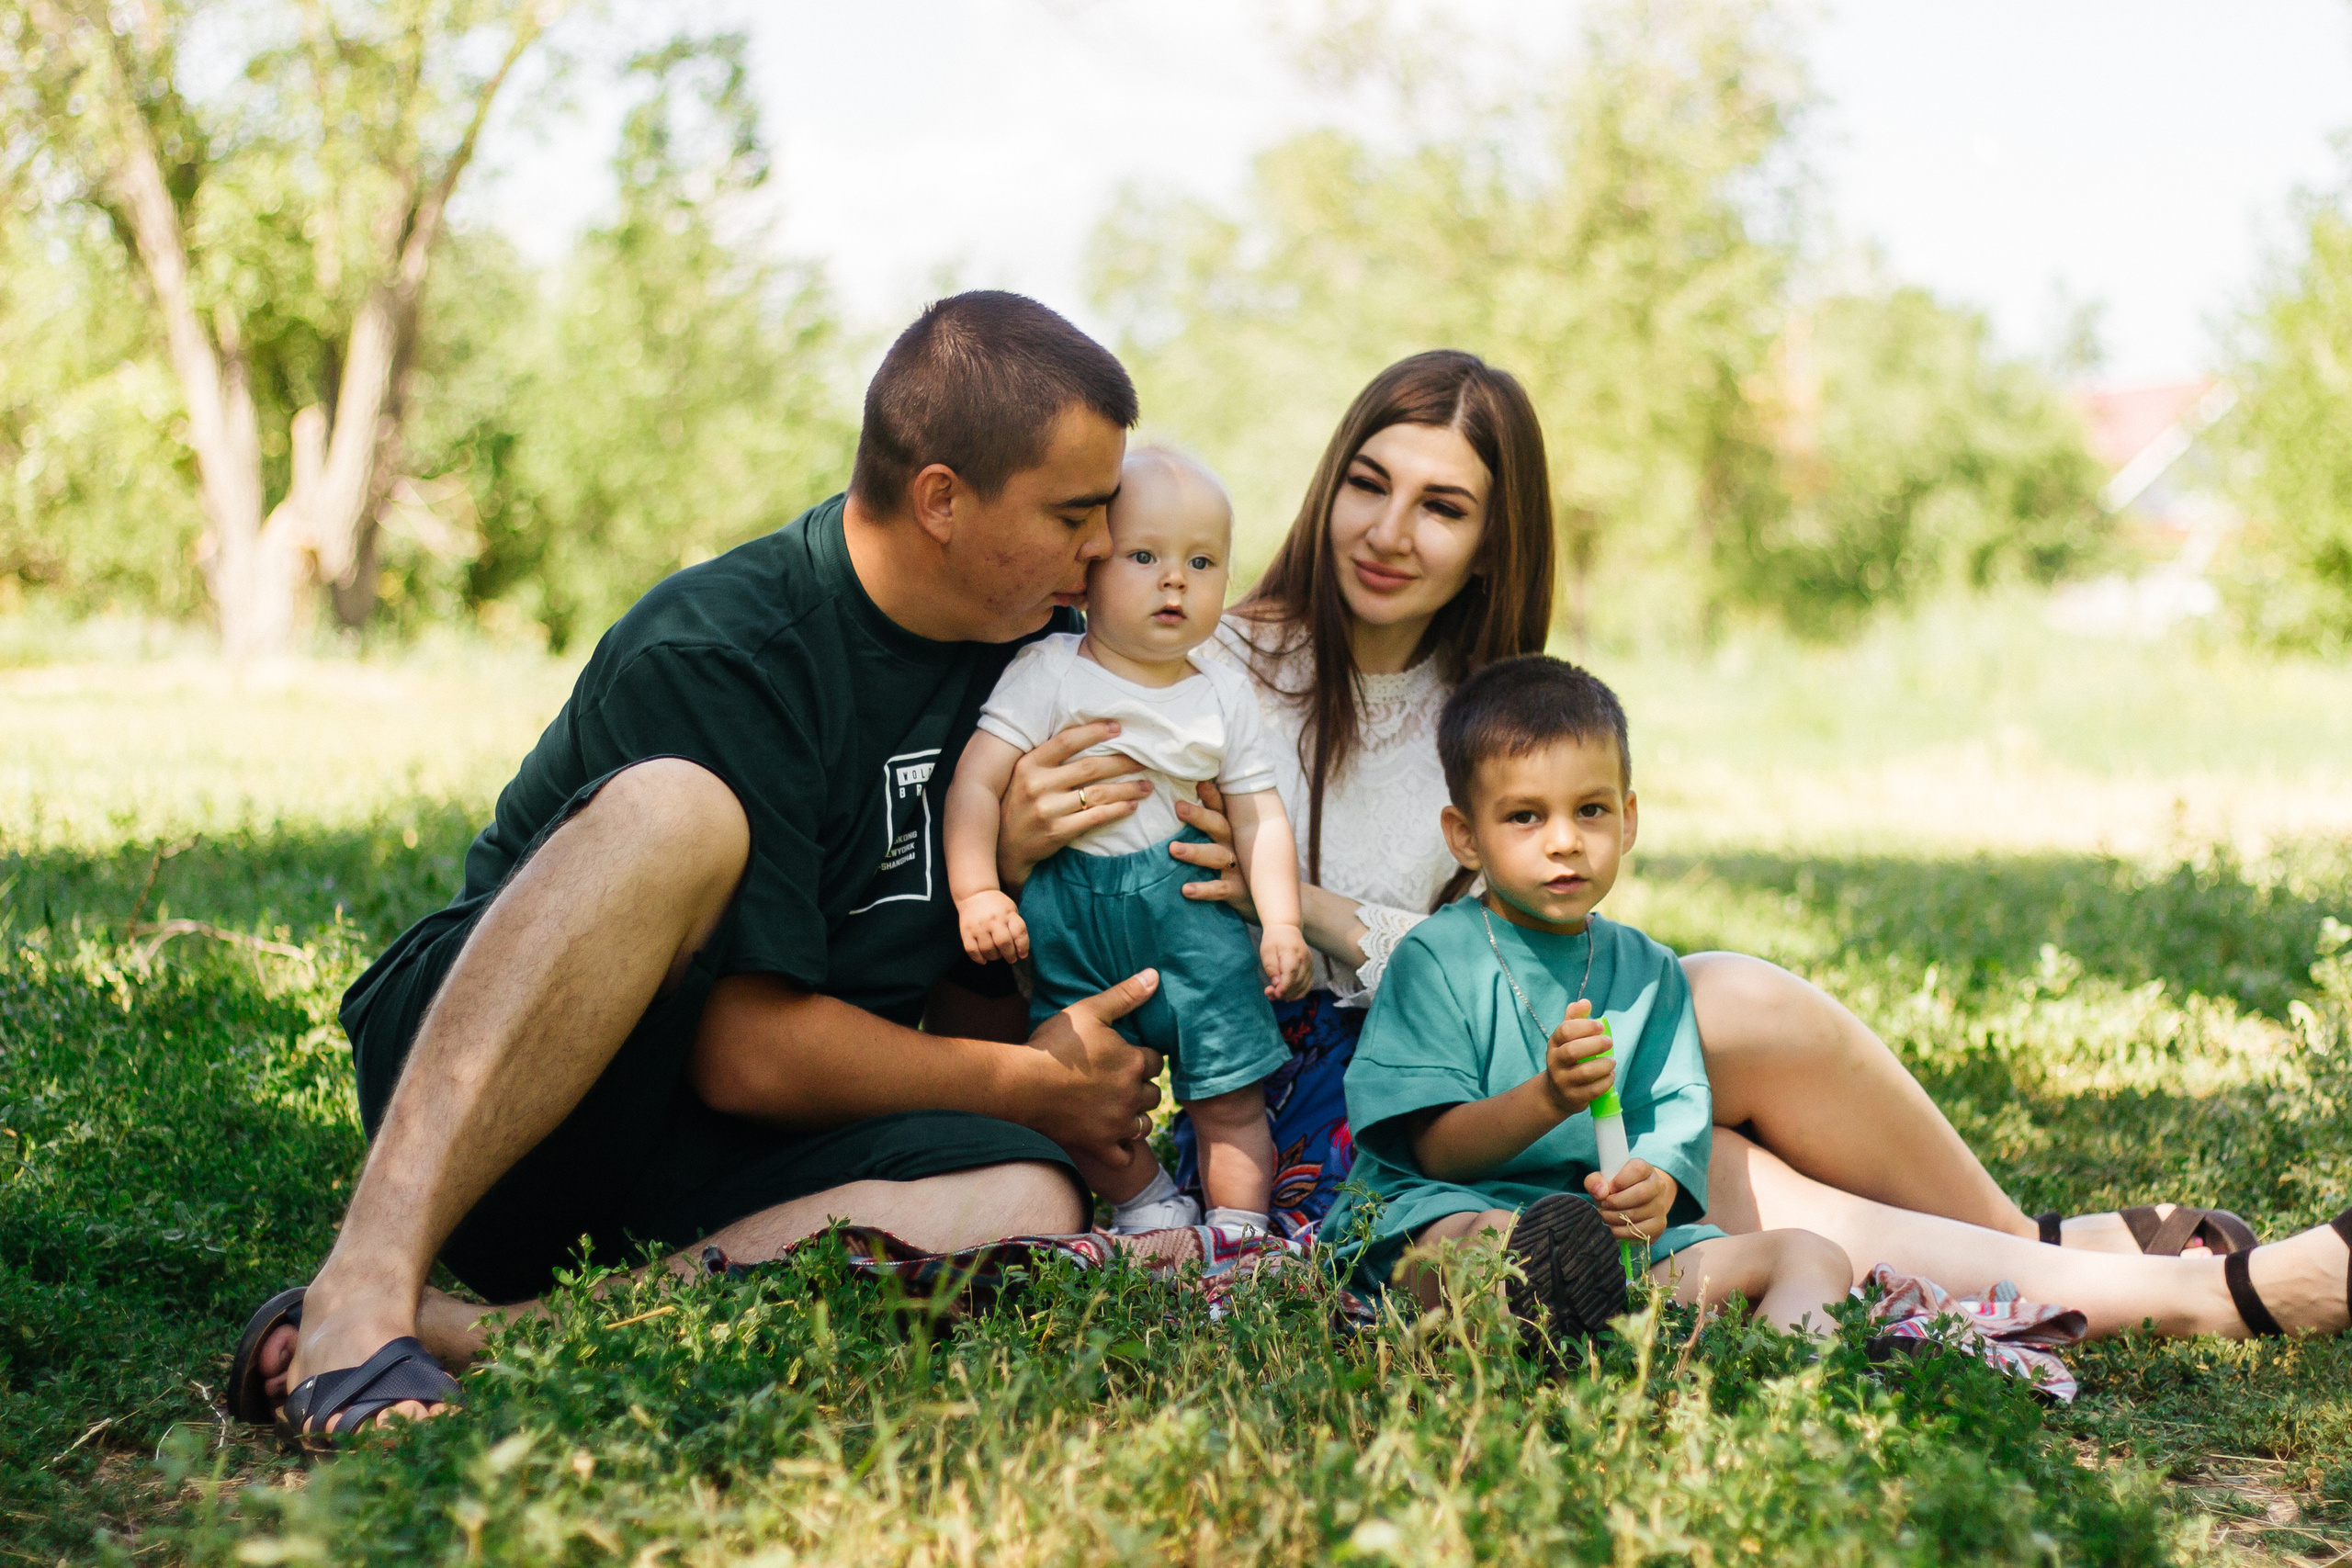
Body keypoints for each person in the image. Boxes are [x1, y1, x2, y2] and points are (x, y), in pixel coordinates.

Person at [989, 347, 2350, 1341]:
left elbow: (1506, 934)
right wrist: (1020, 817)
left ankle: (2029, 1244)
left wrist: (1331, 910)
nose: (1390, 533)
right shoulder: (1201, 653)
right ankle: (2193, 1291)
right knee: (1732, 1181)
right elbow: (1077, 853)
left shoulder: (1494, 717)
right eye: (1369, 484)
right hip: (1352, 1103)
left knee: (1724, 997)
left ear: (1489, 538)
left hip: (1485, 1028)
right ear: (1326, 485)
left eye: (1444, 506)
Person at [231, 291, 1180, 1438]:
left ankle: (495, 1335)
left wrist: (1011, 891)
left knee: (1030, 1193)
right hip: (518, 1123)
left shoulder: (1032, 662)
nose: (1098, 551)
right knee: (679, 810)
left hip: (728, 1164)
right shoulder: (727, 648)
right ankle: (362, 1293)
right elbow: (748, 1056)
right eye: (1075, 513)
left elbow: (944, 1040)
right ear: (941, 498)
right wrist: (1031, 1082)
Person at [1328, 655, 1854, 1340]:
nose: (1566, 840)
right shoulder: (1434, 959)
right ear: (1464, 835)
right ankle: (1539, 1314)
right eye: (1525, 816)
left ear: (1628, 819)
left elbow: (1670, 1120)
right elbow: (1434, 1151)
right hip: (1450, 1212)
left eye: (1592, 810)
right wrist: (1546, 1098)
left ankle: (1782, 1395)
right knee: (1482, 1245)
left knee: (1813, 1253)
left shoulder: (1646, 970)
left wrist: (1656, 1185)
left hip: (1613, 1251)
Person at [945, 448, 1311, 1234]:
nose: (1174, 579)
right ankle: (1148, 1202)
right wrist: (979, 889)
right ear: (1090, 570)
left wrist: (1279, 920)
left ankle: (1240, 1228)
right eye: (1144, 556)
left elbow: (1260, 816)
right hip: (1072, 918)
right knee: (1068, 1085)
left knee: (1230, 1094)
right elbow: (975, 784)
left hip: (1192, 916)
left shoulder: (1222, 693)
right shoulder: (1048, 671)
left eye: (1202, 561)